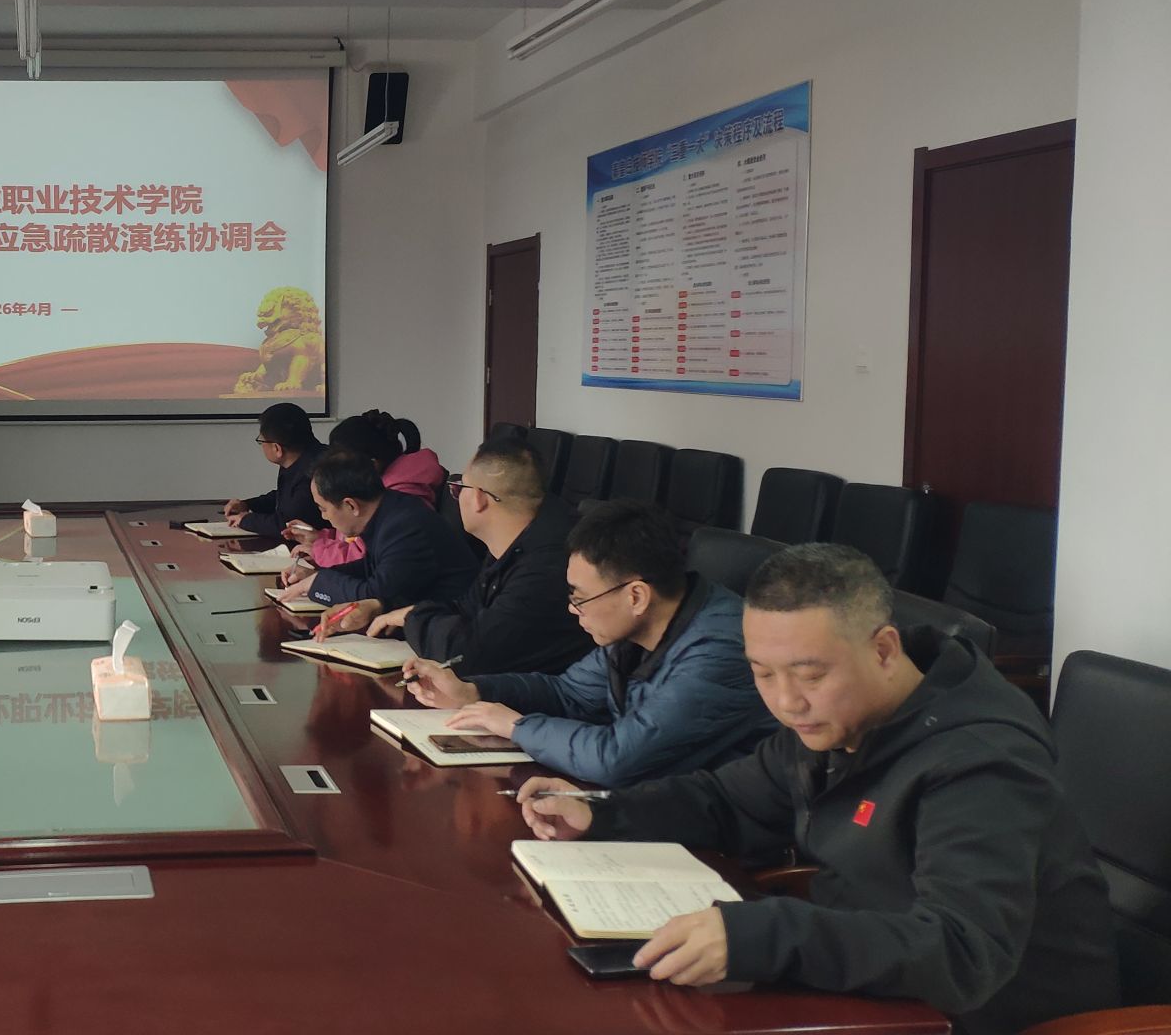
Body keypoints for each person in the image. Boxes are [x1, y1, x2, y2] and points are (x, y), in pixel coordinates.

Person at [517, 543, 1119, 1035]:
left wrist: (760, 934)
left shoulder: (981, 760)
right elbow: (727, 801)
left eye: (810, 675)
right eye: (762, 673)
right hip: (867, 986)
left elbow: (962, 952)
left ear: (883, 650)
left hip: (979, 1016)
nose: (787, 702)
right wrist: (601, 813)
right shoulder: (836, 720)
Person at [403, 499, 774, 786]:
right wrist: (473, 691)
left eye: (581, 598)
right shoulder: (641, 626)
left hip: (721, 838)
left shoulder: (720, 651)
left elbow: (616, 758)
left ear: (636, 596)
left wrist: (517, 727)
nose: (572, 608)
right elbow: (569, 694)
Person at [315, 438, 590, 676]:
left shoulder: (548, 562)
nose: (457, 497)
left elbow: (468, 654)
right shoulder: (514, 544)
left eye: (460, 488)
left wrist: (413, 618)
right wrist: (382, 607)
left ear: (479, 498)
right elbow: (467, 608)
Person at [276, 450, 476, 611]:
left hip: (451, 625)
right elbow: (371, 568)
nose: (324, 517)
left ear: (351, 505)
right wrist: (316, 575)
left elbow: (376, 595)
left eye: (324, 509)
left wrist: (319, 583)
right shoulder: (390, 509)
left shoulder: (403, 527)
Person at [300, 410, 445, 566]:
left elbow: (363, 557)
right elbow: (354, 541)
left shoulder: (402, 498)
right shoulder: (381, 489)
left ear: (371, 463)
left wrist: (319, 551)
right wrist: (321, 539)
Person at [222, 402, 324, 539]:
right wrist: (248, 504)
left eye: (261, 441)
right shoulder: (305, 458)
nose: (261, 446)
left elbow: (289, 525)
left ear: (277, 448)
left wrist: (245, 520)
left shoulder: (318, 471)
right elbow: (285, 498)